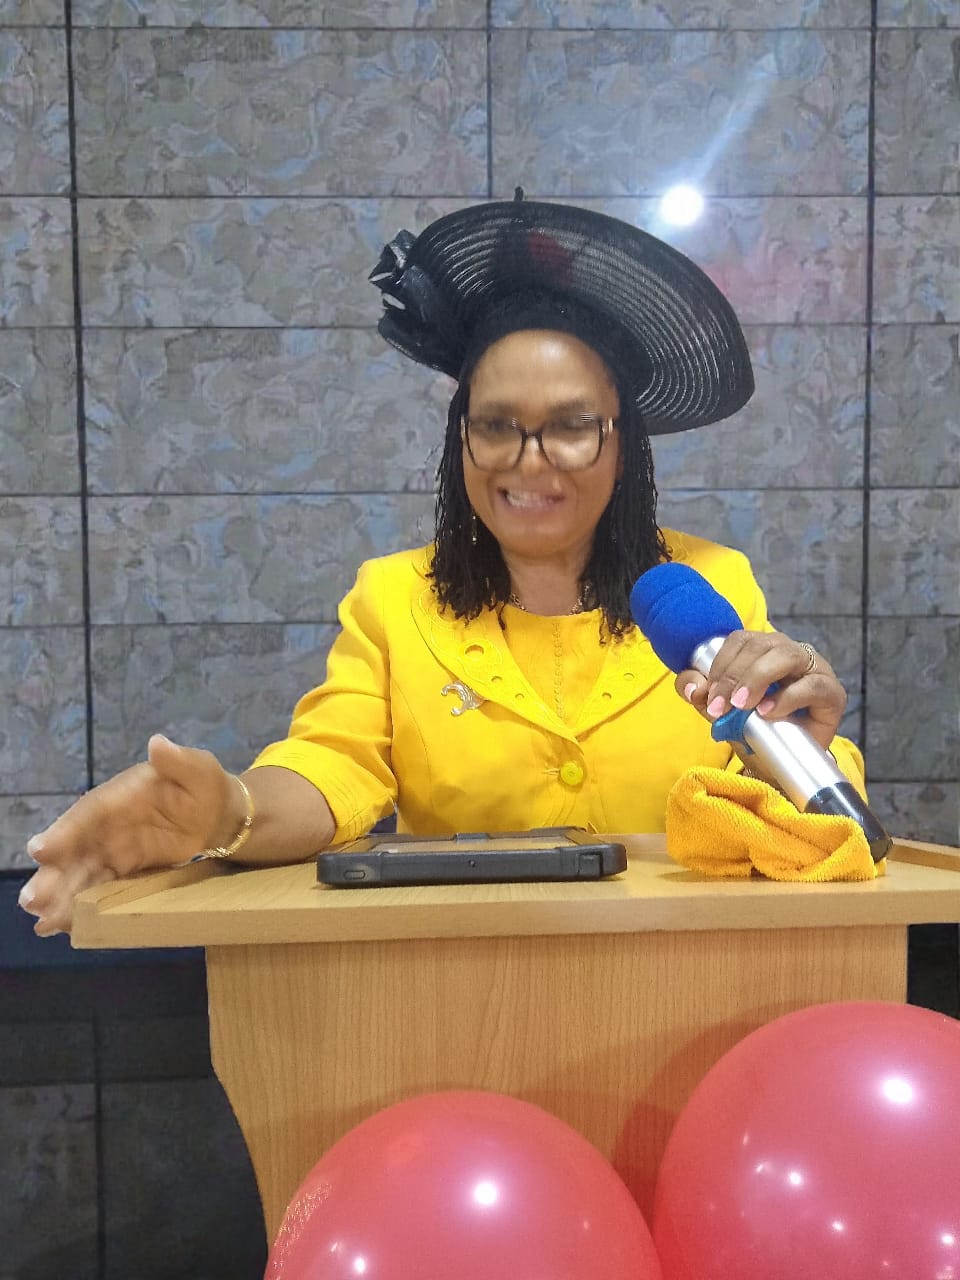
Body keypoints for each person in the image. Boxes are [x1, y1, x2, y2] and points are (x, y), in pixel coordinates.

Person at [19, 193, 863, 937]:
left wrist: (805, 750)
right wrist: (229, 811)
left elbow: (780, 815)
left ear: (623, 442)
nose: (530, 460)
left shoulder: (711, 584)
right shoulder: (394, 597)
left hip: (681, 967)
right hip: (457, 987)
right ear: (461, 438)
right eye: (496, 425)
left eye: (572, 425)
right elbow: (331, 769)